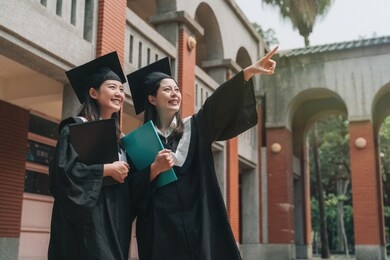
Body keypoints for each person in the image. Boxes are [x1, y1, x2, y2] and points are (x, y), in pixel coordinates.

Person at [126, 46, 278, 259]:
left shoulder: (196, 127)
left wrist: (247, 73)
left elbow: (216, 104)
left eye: (177, 89)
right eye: (167, 90)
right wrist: (153, 170)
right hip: (161, 233)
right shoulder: (138, 143)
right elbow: (129, 192)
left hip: (200, 224)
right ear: (152, 99)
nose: (175, 94)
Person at [48, 51, 133, 260]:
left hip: (115, 218)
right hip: (87, 220)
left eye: (121, 89)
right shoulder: (75, 128)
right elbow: (62, 173)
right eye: (112, 87)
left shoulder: (122, 140)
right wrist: (107, 170)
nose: (119, 93)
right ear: (94, 93)